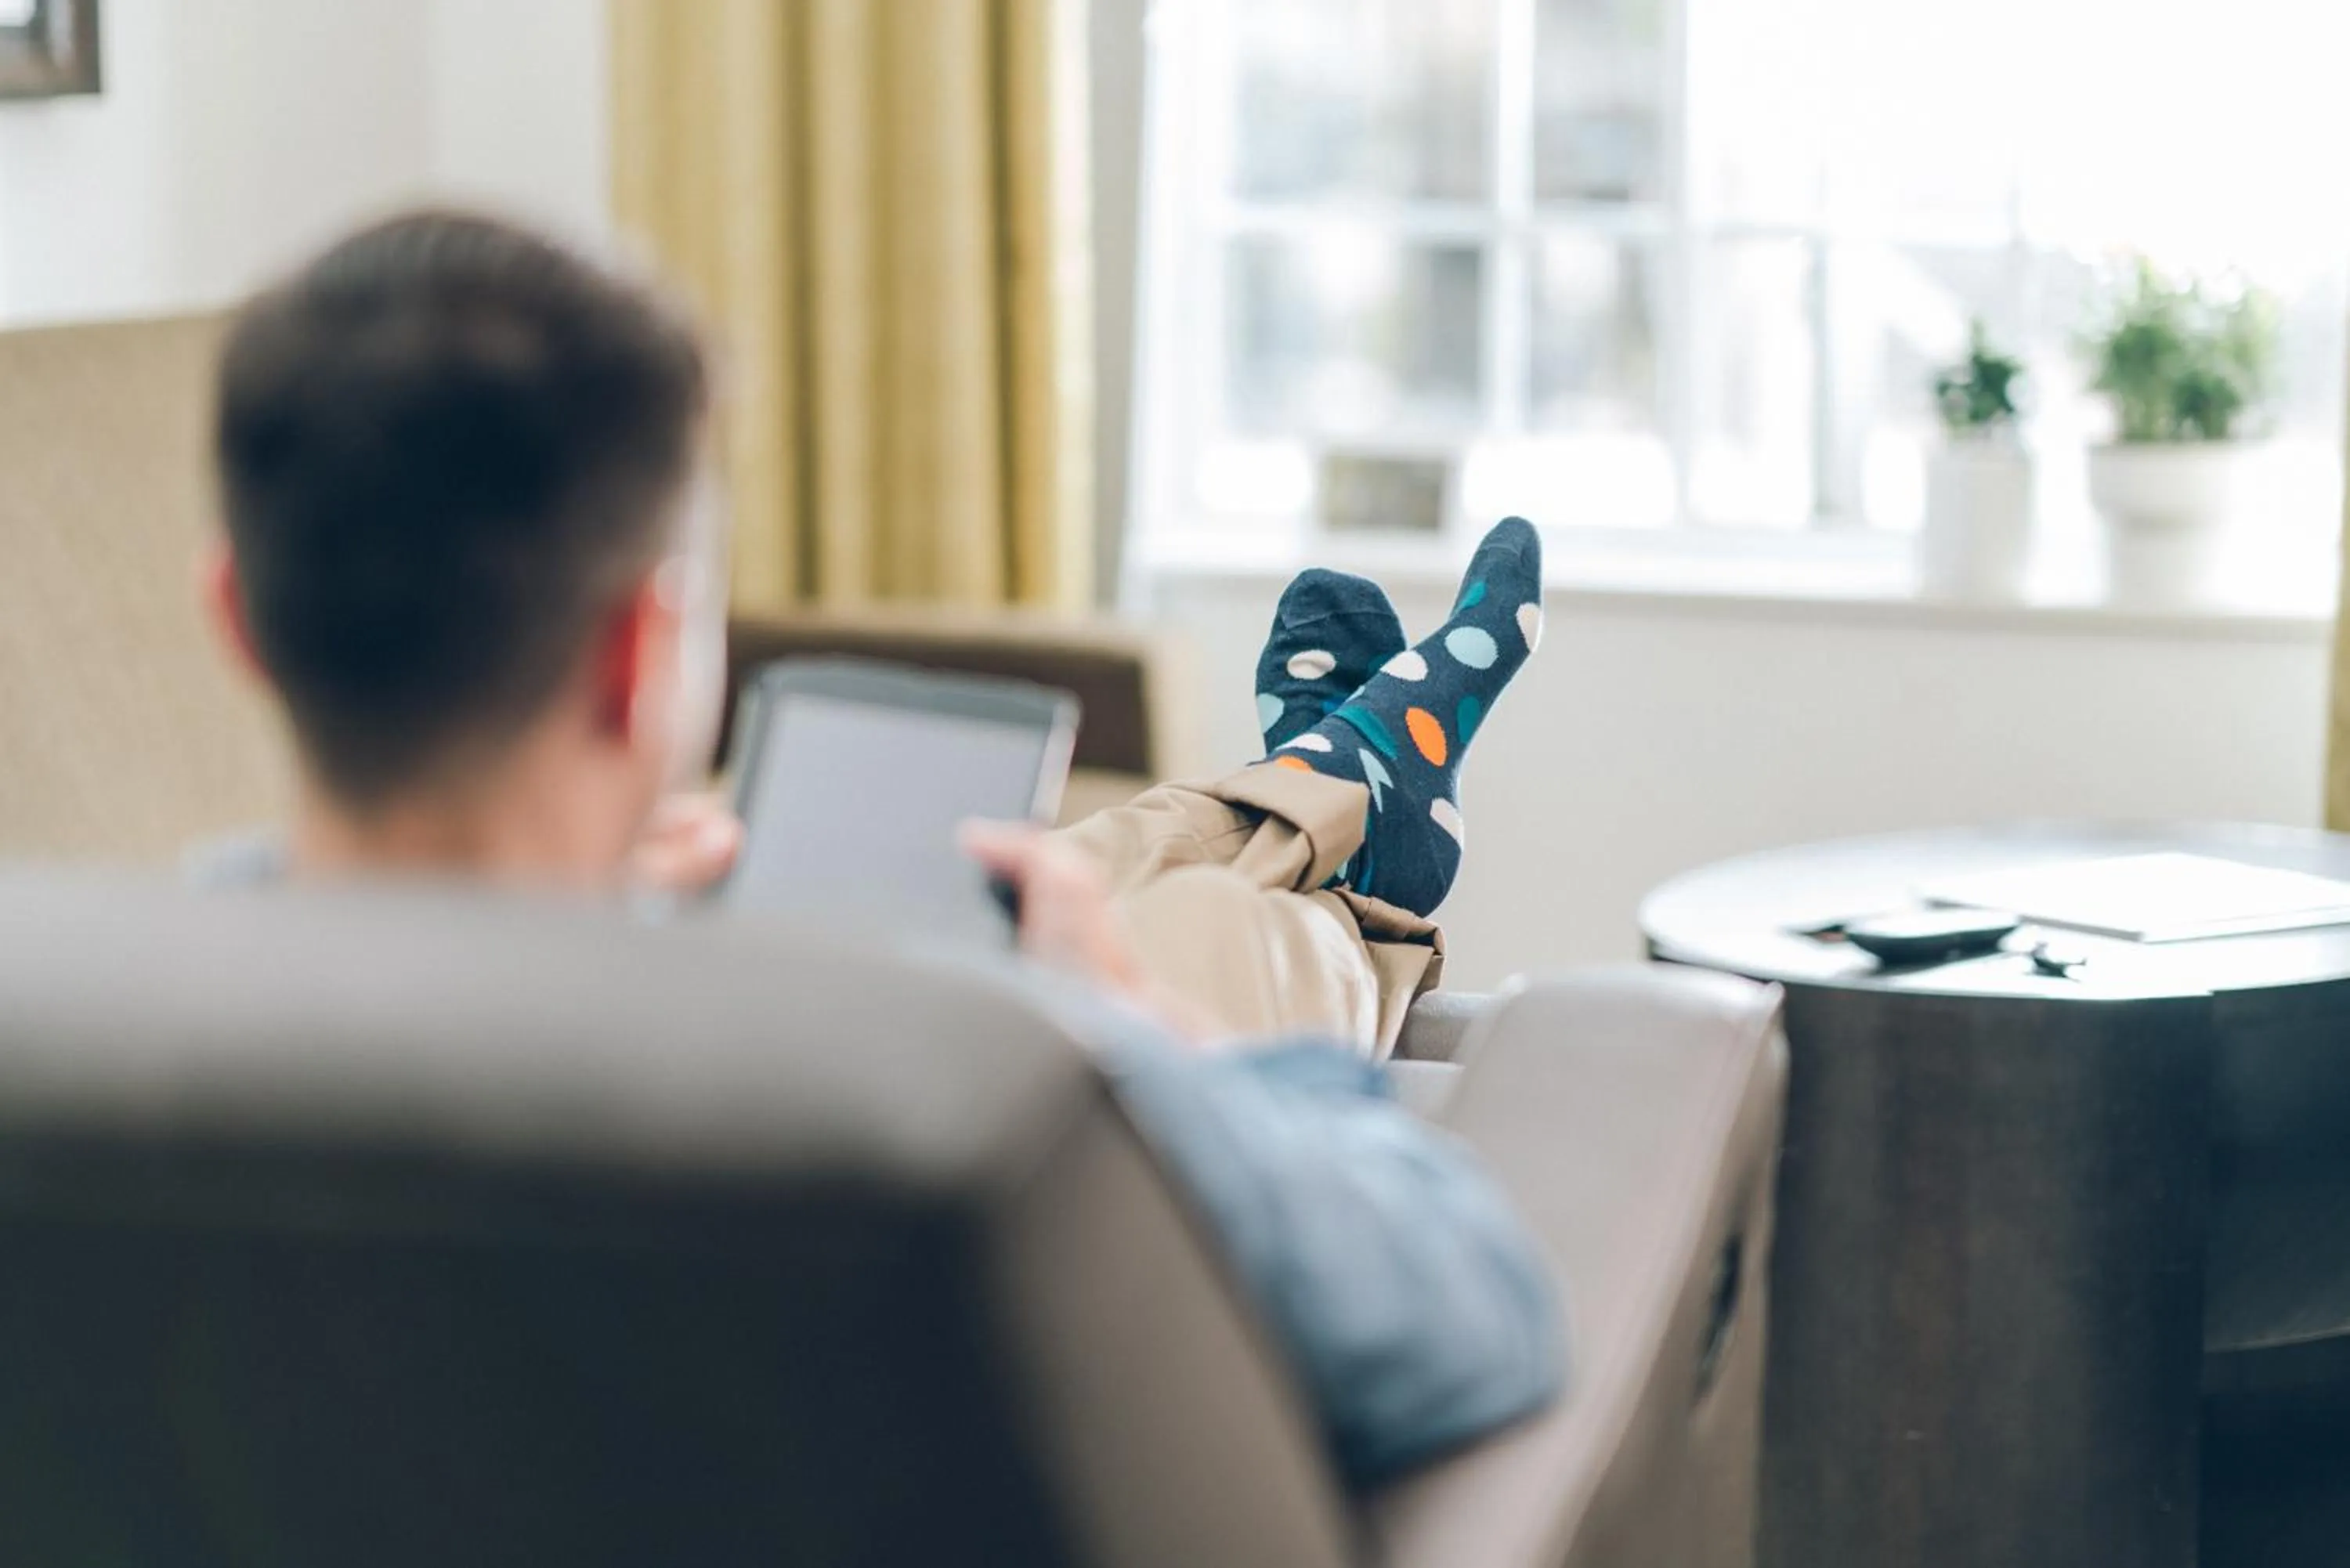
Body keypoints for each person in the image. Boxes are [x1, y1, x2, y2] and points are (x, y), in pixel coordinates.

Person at [197, 208, 1560, 1489]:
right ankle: (1357, 825)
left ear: (239, 623)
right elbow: (1484, 1308)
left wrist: (590, 908)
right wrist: (1131, 1039)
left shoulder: (109, 1028)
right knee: (1202, 933)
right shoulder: (906, 1095)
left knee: (1068, 872)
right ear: (640, 658)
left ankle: (1336, 783)